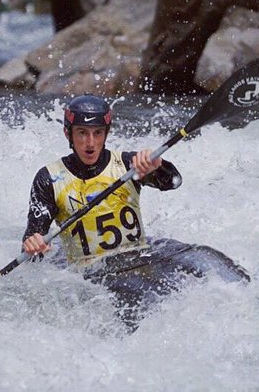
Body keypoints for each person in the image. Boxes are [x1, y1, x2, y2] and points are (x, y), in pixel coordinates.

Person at [22, 94, 180, 268]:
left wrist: (159, 166)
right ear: (68, 133)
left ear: (106, 133)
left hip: (139, 259)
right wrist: (33, 244)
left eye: (98, 133)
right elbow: (33, 239)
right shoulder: (48, 179)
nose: (90, 143)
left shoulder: (129, 164)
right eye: (82, 132)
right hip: (92, 276)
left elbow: (174, 182)